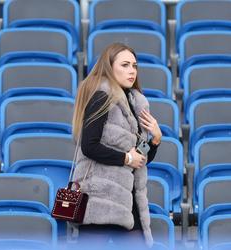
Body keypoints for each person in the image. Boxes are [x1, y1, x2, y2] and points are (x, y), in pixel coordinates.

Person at [71, 43, 162, 248]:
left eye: (135, 66)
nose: (132, 70)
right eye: (125, 65)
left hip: (127, 199)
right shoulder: (102, 95)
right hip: (100, 198)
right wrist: (126, 158)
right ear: (110, 68)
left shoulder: (133, 102)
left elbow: (138, 157)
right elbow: (89, 146)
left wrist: (155, 140)